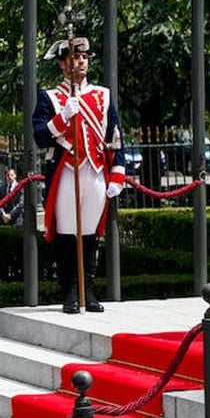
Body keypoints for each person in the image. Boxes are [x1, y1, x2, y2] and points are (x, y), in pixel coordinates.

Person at [32, 37, 126, 314]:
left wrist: (118, 174)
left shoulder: (103, 95)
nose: (81, 61)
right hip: (65, 172)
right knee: (66, 233)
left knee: (89, 234)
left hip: (96, 171)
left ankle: (89, 290)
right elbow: (39, 136)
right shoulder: (50, 97)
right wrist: (61, 118)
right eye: (74, 57)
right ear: (62, 64)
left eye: (84, 57)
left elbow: (115, 137)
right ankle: (70, 292)